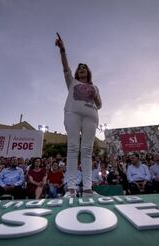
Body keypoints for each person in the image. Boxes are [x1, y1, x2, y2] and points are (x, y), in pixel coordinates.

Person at [55, 33, 102, 198]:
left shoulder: (95, 87)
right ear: (77, 73)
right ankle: (71, 189)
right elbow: (66, 68)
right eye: (80, 69)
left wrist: (94, 98)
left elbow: (100, 105)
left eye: (84, 69)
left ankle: (88, 189)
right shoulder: (72, 82)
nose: (82, 71)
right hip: (73, 114)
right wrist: (62, 51)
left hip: (91, 117)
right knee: (73, 148)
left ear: (88, 72)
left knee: (87, 150)